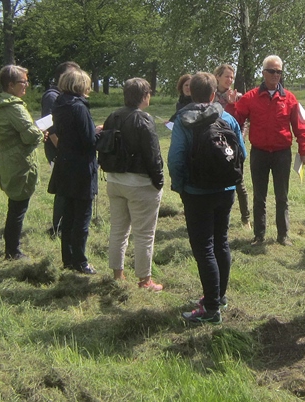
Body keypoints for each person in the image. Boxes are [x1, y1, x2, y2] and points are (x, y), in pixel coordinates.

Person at [169, 72, 247, 323]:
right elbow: (242, 153)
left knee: (204, 248)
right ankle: (219, 297)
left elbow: (176, 158)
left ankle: (211, 308)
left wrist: (181, 187)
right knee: (221, 242)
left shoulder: (184, 120)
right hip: (226, 190)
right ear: (214, 94)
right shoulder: (228, 118)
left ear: (191, 92)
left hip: (196, 192)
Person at [234, 55, 305, 246]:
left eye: (279, 72)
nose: (276, 75)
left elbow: (299, 126)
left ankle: (283, 235)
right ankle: (259, 235)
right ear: (264, 73)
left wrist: (304, 149)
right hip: (259, 153)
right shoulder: (250, 97)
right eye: (272, 71)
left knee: (282, 196)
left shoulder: (289, 98)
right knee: (260, 196)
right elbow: (236, 119)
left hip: (282, 154)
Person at [104, 78, 165, 291]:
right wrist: (159, 181)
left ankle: (117, 275)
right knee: (144, 234)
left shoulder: (113, 116)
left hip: (114, 180)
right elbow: (153, 154)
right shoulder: (144, 120)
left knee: (118, 230)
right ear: (144, 96)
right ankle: (145, 281)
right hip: (139, 183)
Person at [0, 65, 44, 260]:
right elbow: (29, 136)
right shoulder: (14, 107)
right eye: (23, 81)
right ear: (10, 85)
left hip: (4, 157)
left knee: (15, 204)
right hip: (18, 160)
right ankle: (13, 251)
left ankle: (11, 246)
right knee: (18, 206)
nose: (26, 85)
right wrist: (40, 133)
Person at [48, 68, 99, 275]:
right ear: (80, 86)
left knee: (68, 216)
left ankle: (68, 259)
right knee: (82, 218)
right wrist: (100, 134)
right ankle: (81, 261)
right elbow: (89, 142)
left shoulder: (59, 105)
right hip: (81, 168)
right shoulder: (79, 107)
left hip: (64, 164)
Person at [41, 61, 80, 237]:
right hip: (57, 149)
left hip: (65, 149)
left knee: (69, 186)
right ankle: (57, 227)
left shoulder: (66, 96)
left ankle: (67, 222)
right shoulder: (52, 96)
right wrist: (62, 149)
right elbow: (50, 126)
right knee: (63, 187)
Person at [214, 64, 251, 230]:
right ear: (218, 77)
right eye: (226, 76)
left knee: (239, 182)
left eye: (231, 77)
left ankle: (246, 219)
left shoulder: (238, 97)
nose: (229, 80)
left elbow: (243, 122)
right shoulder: (211, 96)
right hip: (214, 144)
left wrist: (240, 139)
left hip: (233, 145)